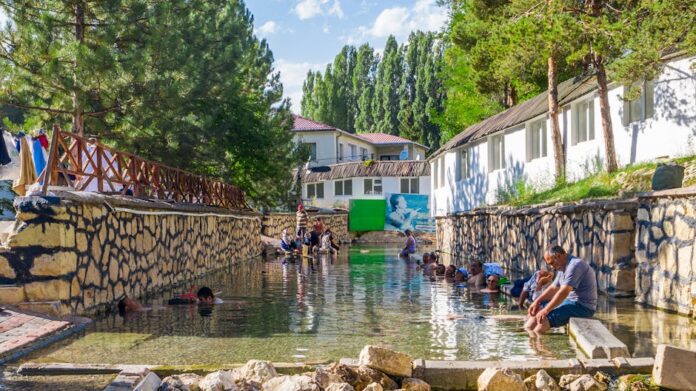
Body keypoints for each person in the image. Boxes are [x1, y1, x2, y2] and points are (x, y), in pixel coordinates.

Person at [525, 245, 597, 334]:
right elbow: (553, 288)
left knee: (543, 319)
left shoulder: (575, 265)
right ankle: (529, 342)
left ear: (558, 256)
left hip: (583, 307)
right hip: (570, 302)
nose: (552, 267)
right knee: (535, 316)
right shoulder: (562, 267)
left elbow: (564, 292)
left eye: (551, 263)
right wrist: (537, 302)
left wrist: (546, 310)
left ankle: (538, 345)